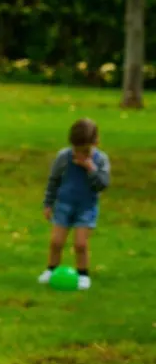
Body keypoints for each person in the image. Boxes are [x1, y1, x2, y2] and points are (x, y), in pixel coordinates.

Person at [39, 118, 110, 291]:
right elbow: (54, 180)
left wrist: (90, 169)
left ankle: (83, 274)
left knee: (80, 244)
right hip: (64, 205)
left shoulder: (100, 160)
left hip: (86, 208)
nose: (80, 154)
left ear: (95, 143)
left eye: (85, 150)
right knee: (56, 242)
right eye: (76, 150)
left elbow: (102, 184)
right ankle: (51, 269)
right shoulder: (63, 157)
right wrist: (48, 203)